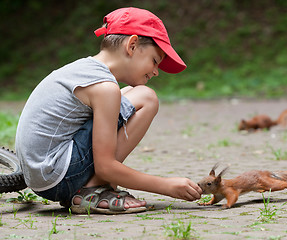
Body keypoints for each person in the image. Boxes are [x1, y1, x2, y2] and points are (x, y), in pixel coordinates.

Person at [15, 7, 202, 214]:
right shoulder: (104, 87)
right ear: (132, 45)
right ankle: (93, 190)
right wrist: (166, 186)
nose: (156, 71)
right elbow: (106, 166)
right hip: (58, 176)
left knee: (138, 93)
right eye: (154, 61)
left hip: (40, 175)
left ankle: (93, 187)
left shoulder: (85, 70)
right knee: (147, 98)